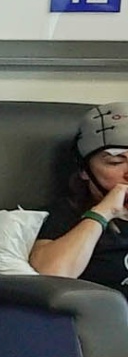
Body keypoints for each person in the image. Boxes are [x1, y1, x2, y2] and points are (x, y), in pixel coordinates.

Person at [31, 103, 128, 288]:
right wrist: (103, 213)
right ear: (84, 170)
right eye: (115, 162)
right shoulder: (67, 215)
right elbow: (51, 275)